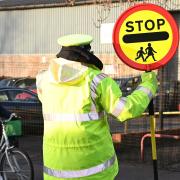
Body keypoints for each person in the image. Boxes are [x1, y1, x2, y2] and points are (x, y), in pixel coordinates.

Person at [36, 34, 158, 180]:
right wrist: (148, 86)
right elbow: (125, 110)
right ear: (86, 53)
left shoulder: (43, 79)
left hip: (55, 172)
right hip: (95, 172)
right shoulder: (97, 80)